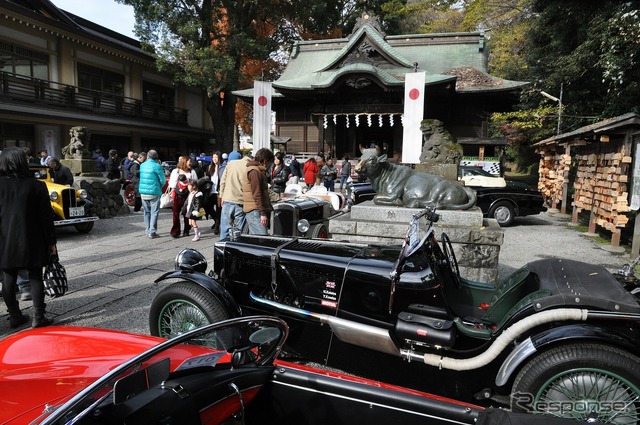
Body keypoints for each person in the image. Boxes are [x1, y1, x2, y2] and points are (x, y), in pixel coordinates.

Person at [0, 147, 57, 328]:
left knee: (8, 277)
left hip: (5, 239)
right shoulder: (37, 185)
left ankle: (15, 315)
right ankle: (39, 316)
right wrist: (51, 242)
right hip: (33, 237)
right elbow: (46, 217)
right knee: (35, 276)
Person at [218, 151, 250, 241]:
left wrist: (222, 196)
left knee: (225, 229)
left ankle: (222, 248)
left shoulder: (229, 165)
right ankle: (238, 249)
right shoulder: (247, 166)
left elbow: (222, 182)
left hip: (227, 200)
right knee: (240, 230)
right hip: (240, 201)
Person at [243, 148, 274, 235]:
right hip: (255, 210)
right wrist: (262, 213)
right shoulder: (255, 172)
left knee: (256, 240)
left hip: (254, 209)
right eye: (269, 162)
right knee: (262, 239)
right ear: (265, 161)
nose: (269, 165)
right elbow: (257, 194)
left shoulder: (255, 170)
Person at [168, 155, 198, 237]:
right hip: (177, 195)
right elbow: (171, 183)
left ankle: (186, 230)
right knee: (175, 213)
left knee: (187, 212)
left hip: (188, 195)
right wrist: (173, 190)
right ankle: (175, 231)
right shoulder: (176, 171)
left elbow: (196, 183)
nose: (191, 163)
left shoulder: (192, 172)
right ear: (185, 162)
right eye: (189, 161)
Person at [138, 149, 165, 238]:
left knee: (146, 212)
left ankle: (147, 229)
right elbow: (163, 180)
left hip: (143, 192)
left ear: (148, 156)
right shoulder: (157, 166)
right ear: (156, 157)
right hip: (154, 191)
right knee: (154, 212)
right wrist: (159, 187)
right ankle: (152, 231)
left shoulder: (142, 165)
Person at [206, 152, 222, 234]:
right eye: (213, 157)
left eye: (216, 157)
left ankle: (217, 226)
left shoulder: (222, 167)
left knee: (219, 209)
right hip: (211, 192)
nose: (214, 159)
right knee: (208, 207)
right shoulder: (209, 167)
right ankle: (217, 221)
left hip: (219, 192)